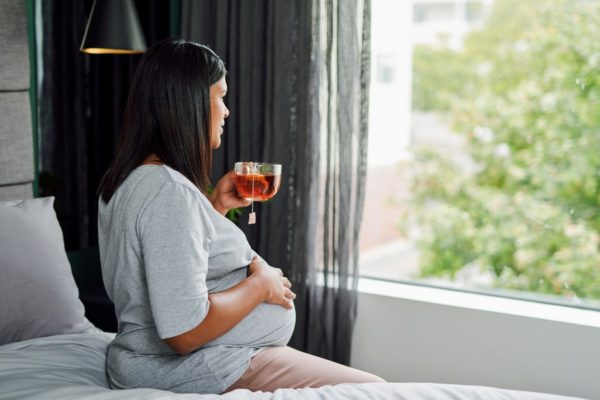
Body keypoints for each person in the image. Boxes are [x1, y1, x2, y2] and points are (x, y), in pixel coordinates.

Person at [97, 38, 385, 395]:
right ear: (190, 104)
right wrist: (260, 286)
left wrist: (214, 206)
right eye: (220, 96)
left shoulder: (131, 180)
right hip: (202, 365)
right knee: (375, 390)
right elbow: (184, 332)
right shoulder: (169, 193)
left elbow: (170, 264)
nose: (227, 111)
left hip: (213, 356)